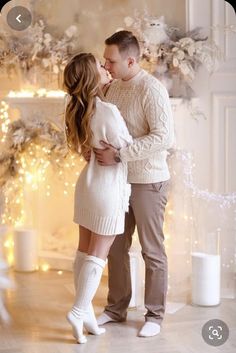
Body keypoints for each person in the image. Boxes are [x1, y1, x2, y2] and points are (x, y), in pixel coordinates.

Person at [93, 31, 175, 337]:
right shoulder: (112, 88)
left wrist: (120, 155)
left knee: (152, 250)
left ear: (130, 60)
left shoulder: (152, 89)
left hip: (149, 181)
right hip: (119, 181)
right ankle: (116, 308)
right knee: (115, 246)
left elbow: (163, 137)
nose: (107, 65)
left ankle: (155, 315)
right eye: (105, 60)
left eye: (111, 60)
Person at [63, 52, 132, 344]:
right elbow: (126, 147)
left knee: (84, 251)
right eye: (99, 66)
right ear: (92, 77)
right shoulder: (107, 111)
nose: (105, 68)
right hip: (106, 189)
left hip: (87, 186)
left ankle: (87, 313)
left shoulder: (76, 110)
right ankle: (78, 311)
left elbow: (84, 146)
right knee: (97, 254)